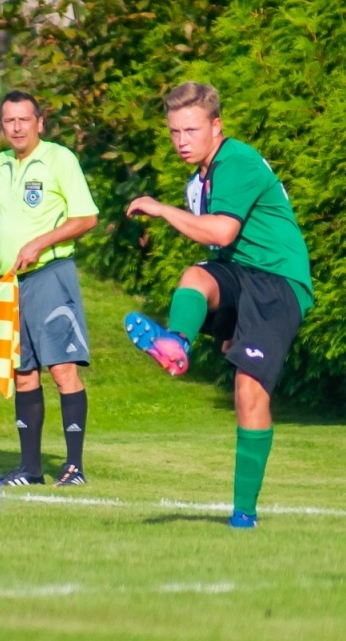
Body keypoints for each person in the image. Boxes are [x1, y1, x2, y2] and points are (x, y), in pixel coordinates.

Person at [123, 81, 314, 528]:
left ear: (216, 126)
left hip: (278, 282)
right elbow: (220, 252)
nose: (181, 141)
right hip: (241, 275)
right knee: (195, 276)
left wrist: (161, 209)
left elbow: (223, 232)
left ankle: (244, 513)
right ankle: (175, 343)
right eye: (174, 132)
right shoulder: (200, 179)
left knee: (248, 390)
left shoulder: (238, 160)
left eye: (190, 130)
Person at [0, 90, 99, 486]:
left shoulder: (60, 159)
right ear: (2, 126)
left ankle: (74, 467)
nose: (17, 127)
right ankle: (30, 470)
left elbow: (86, 217)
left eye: (24, 119)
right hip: (10, 286)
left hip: (50, 275)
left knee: (62, 369)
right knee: (23, 374)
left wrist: (40, 243)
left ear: (39, 122)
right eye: (9, 121)